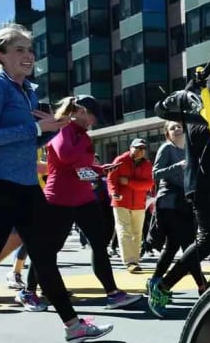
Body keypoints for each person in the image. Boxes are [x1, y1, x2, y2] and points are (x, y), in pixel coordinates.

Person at [0, 24, 114, 343]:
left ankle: (73, 324)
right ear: (0, 54)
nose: (28, 56)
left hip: (22, 184)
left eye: (31, 50)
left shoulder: (27, 91)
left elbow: (27, 139)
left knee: (44, 253)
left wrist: (52, 130)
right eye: (19, 49)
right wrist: (37, 127)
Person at [20, 95, 141, 312]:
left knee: (99, 245)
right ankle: (29, 292)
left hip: (84, 198)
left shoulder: (81, 134)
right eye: (93, 117)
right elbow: (66, 157)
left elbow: (78, 168)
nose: (93, 123)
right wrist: (71, 132)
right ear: (81, 111)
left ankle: (113, 293)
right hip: (59, 199)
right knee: (47, 250)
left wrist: (98, 170)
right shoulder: (62, 130)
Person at [145, 121, 207, 317]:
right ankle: (201, 286)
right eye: (172, 128)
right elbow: (155, 173)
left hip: (187, 202)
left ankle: (155, 281)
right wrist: (177, 166)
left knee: (173, 246)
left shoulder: (190, 148)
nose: (177, 129)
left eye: (179, 126)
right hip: (169, 203)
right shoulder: (167, 148)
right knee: (189, 245)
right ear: (167, 134)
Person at [108, 138, 154, 273]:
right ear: (130, 148)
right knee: (124, 231)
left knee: (137, 232)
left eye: (143, 148)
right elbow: (111, 179)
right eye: (137, 148)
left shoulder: (147, 164)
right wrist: (113, 192)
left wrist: (128, 182)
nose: (140, 151)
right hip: (121, 202)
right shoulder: (120, 160)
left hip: (139, 203)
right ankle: (130, 261)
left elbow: (148, 184)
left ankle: (135, 260)